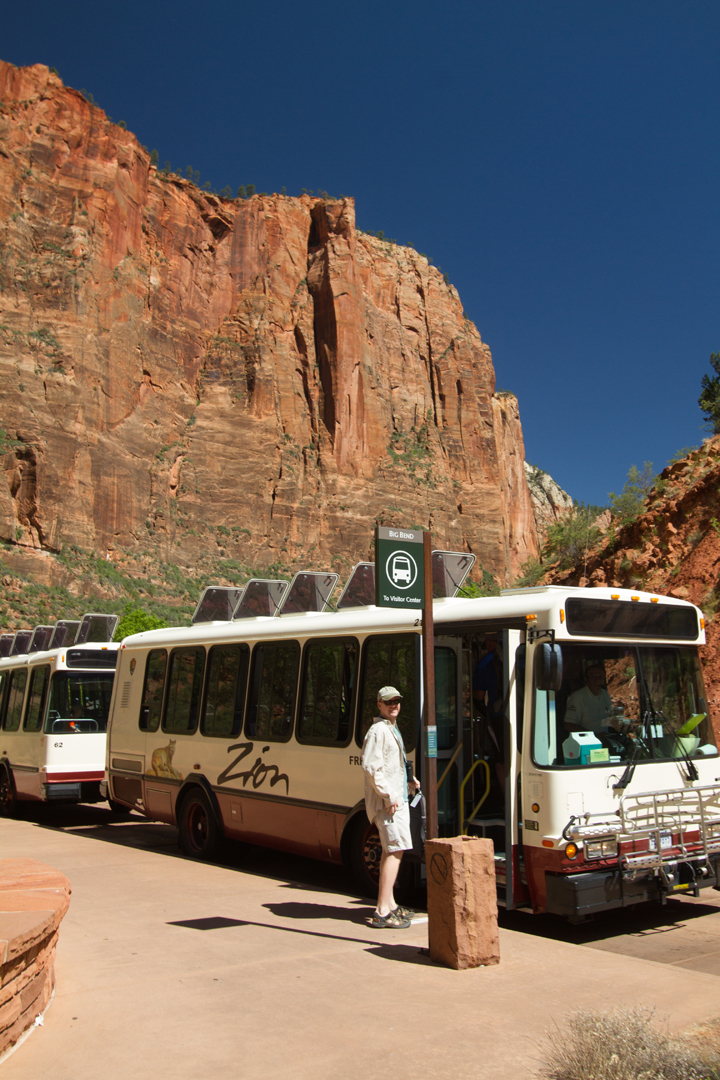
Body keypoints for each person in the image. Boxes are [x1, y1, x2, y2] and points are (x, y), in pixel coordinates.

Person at [361, 685, 418, 928]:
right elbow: (371, 767)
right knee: (395, 850)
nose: (394, 705)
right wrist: (388, 796)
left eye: (396, 701)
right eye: (388, 702)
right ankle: (382, 911)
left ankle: (391, 905)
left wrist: (408, 779)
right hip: (390, 804)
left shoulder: (390, 728)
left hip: (396, 798)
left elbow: (391, 764)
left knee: (391, 850)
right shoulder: (378, 731)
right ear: (379, 705)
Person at [564, 664, 614, 732]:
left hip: (605, 739)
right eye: (593, 677)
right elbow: (569, 725)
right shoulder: (577, 697)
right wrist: (594, 736)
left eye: (600, 676)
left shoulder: (605, 695)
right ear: (586, 679)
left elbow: (610, 720)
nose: (597, 680)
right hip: (586, 741)